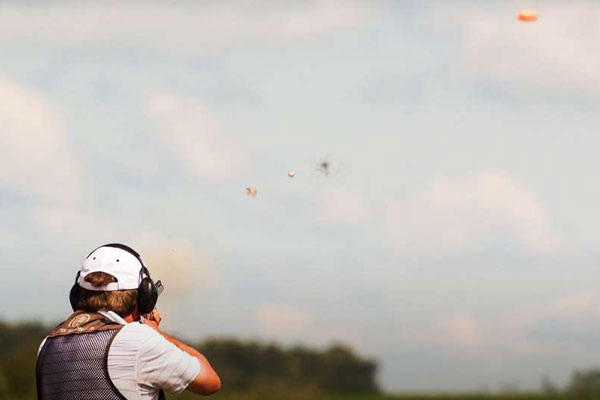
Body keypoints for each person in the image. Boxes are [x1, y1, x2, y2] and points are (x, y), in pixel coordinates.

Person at [35, 243, 221, 400]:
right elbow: (210, 382)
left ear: (77, 295)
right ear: (144, 297)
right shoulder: (138, 341)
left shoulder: (48, 344)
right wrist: (157, 333)